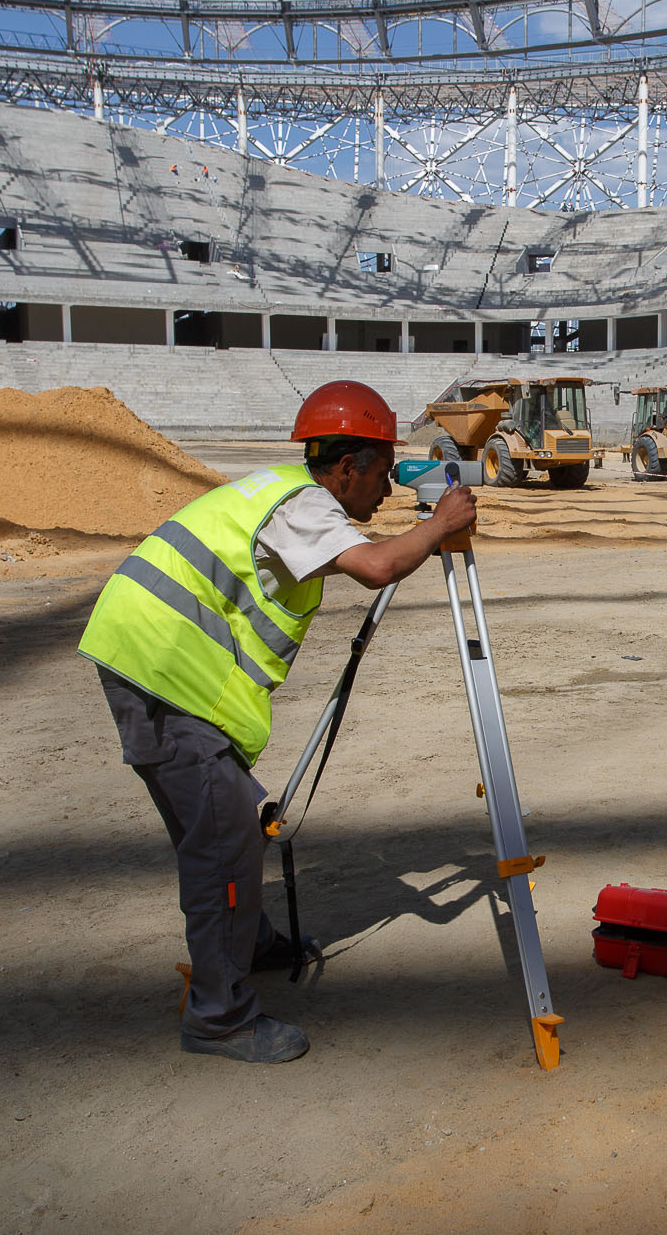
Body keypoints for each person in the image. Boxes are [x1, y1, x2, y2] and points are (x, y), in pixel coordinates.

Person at [78, 380, 476, 1063]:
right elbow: (377, 567)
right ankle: (220, 1018)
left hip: (155, 665)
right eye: (380, 474)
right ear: (345, 467)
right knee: (224, 845)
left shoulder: (284, 491)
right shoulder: (303, 509)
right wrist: (439, 524)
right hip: (163, 673)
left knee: (223, 824)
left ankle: (251, 943)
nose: (384, 491)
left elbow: (358, 545)